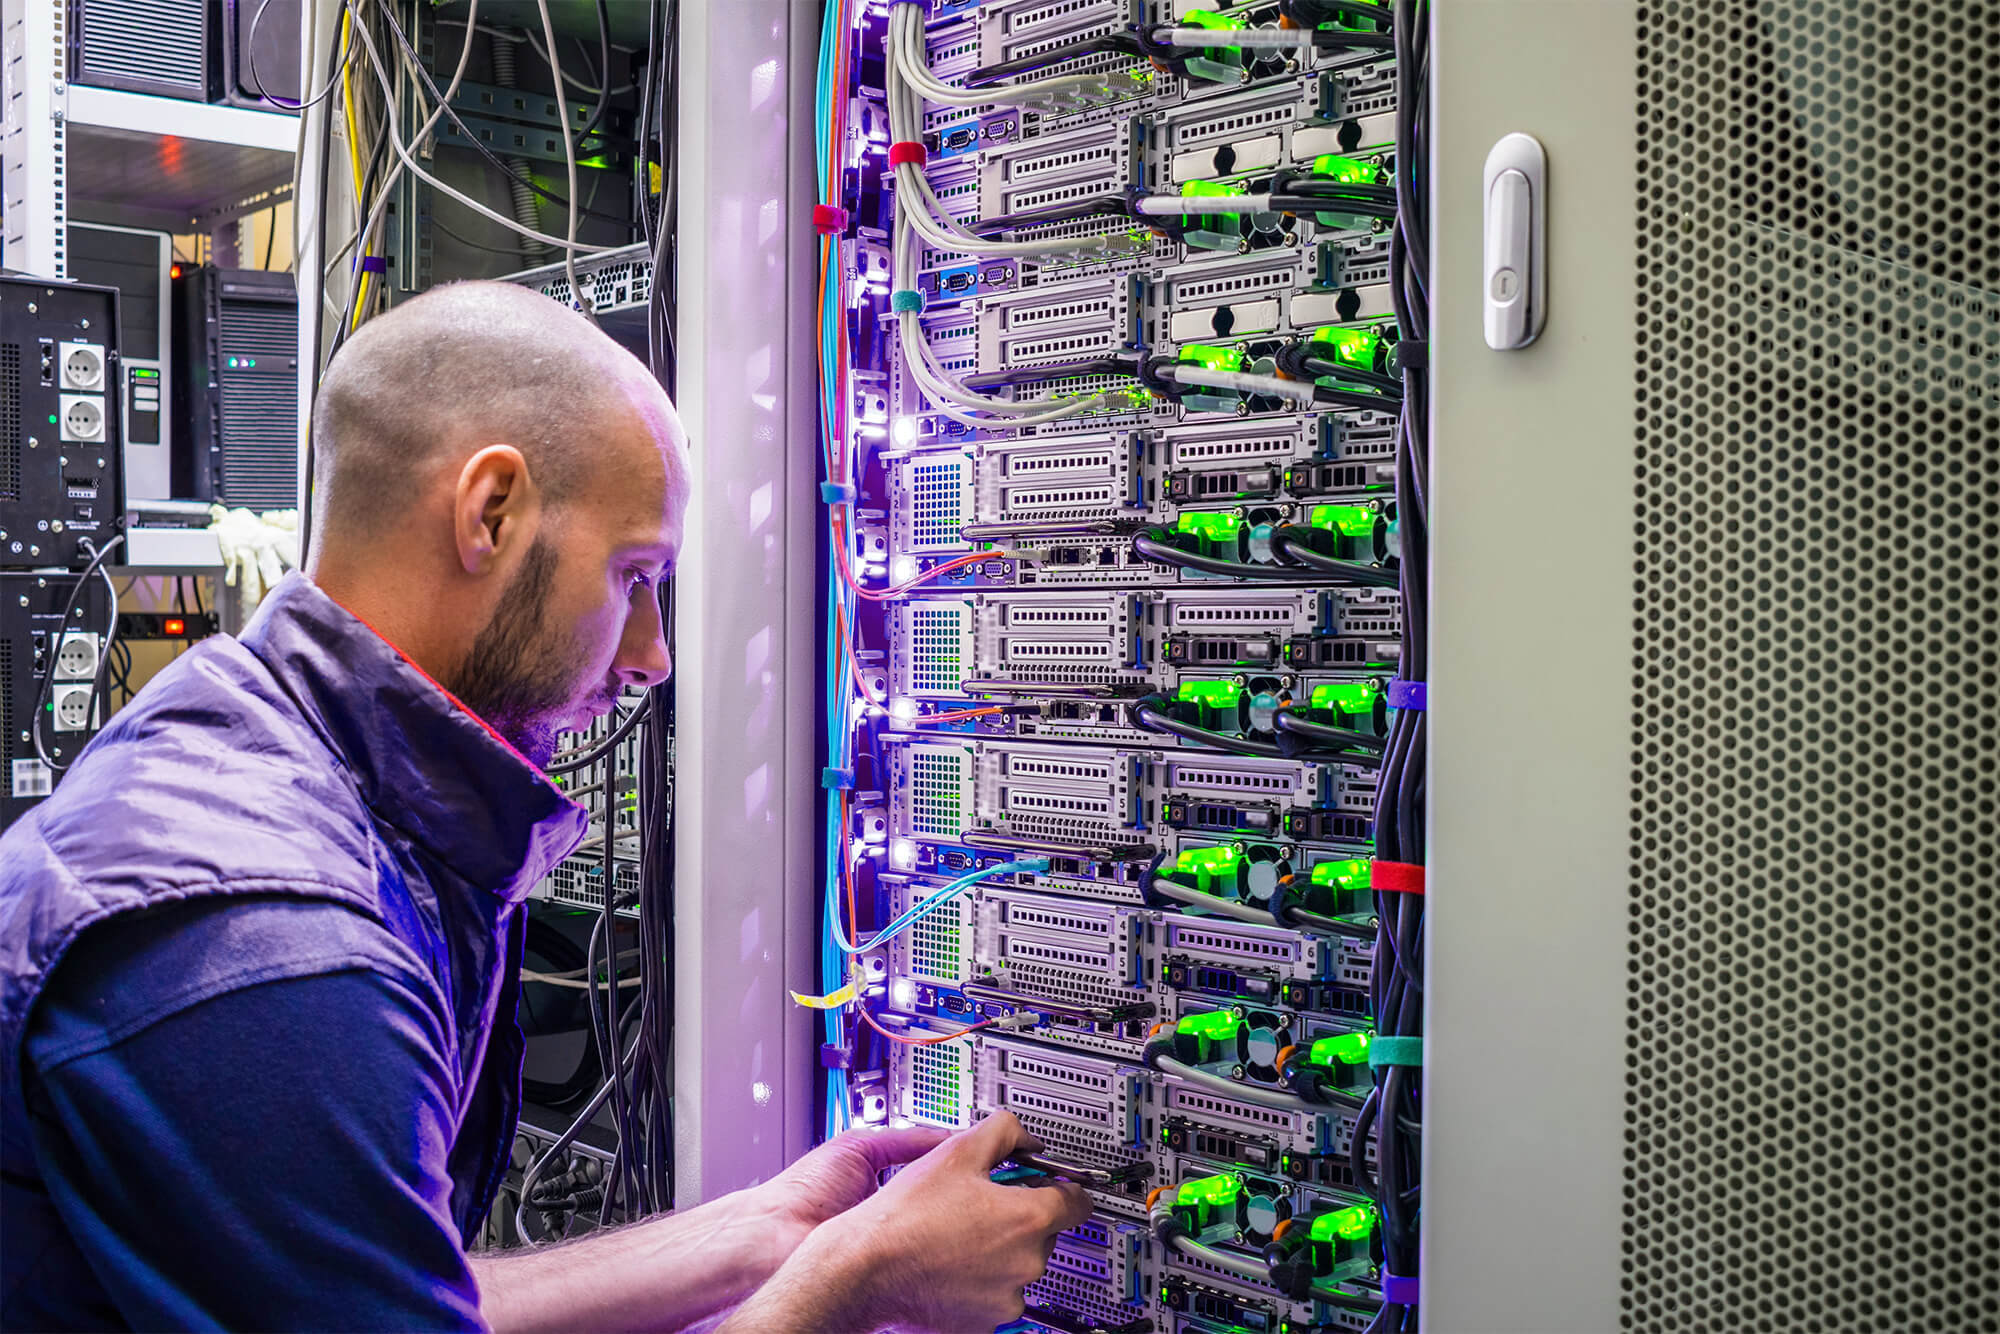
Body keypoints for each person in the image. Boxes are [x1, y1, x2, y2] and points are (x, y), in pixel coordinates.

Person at [0, 282, 1089, 1332]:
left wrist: (766, 1234)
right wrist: (862, 1281)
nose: (652, 655)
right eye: (633, 574)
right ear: (491, 510)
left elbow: (369, 1281)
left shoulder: (254, 749)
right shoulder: (269, 944)